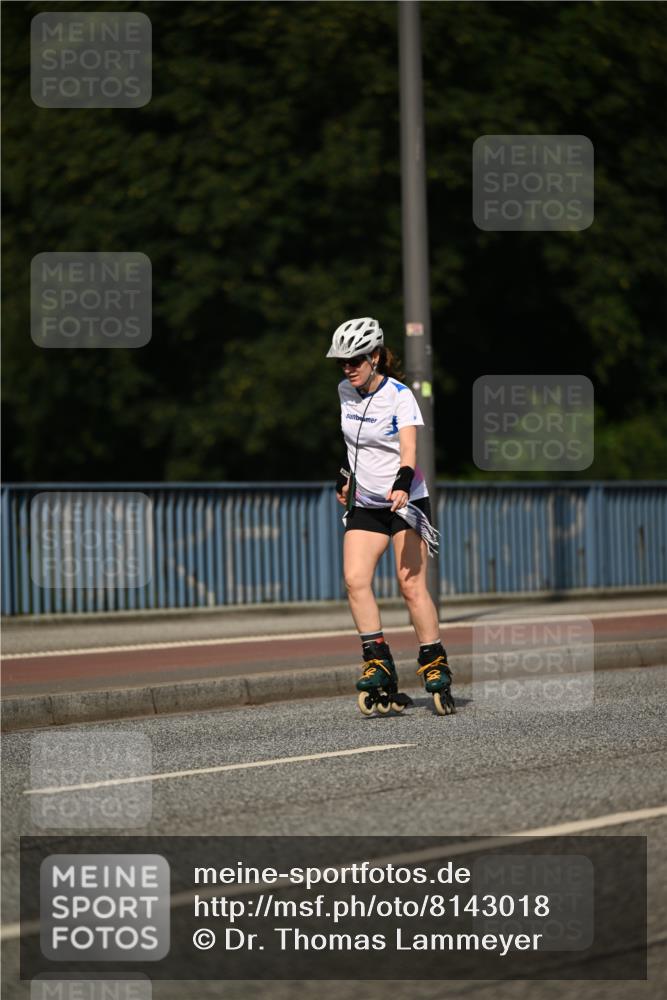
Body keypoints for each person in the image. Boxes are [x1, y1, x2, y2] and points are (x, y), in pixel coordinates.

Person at [326, 316, 455, 716]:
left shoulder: (400, 396)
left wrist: (402, 484)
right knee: (355, 580)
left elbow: (409, 452)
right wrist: (345, 477)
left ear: (376, 357)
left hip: (405, 500)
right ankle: (378, 663)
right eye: (342, 362)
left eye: (356, 359)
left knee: (409, 584)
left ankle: (434, 663)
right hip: (366, 502)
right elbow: (354, 445)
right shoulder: (345, 391)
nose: (348, 368)